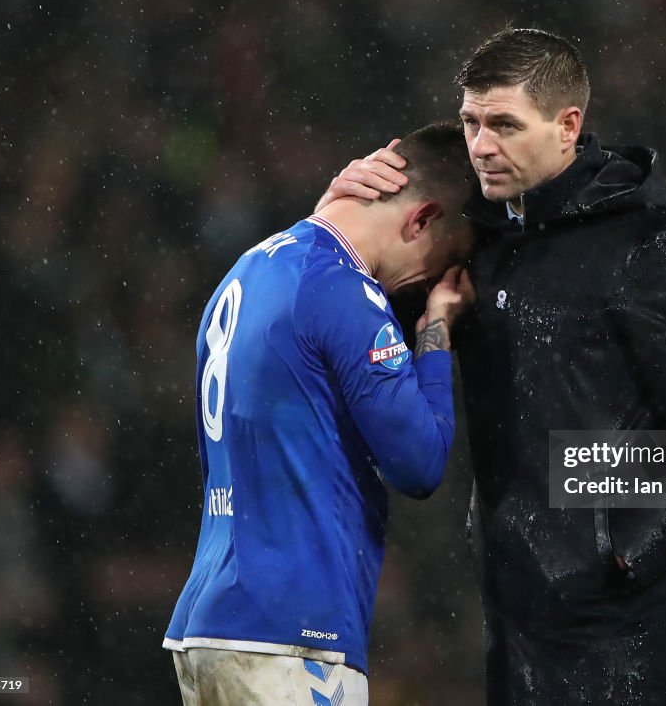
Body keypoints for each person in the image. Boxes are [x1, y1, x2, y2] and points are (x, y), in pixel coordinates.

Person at [318, 28, 666, 705]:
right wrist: (340, 209)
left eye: (503, 124)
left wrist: (611, 552)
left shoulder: (648, 247)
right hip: (513, 617)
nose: (480, 146)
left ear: (568, 126)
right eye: (471, 122)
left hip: (620, 642)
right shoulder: (487, 234)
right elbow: (360, 304)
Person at [163, 121, 478, 706]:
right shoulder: (344, 292)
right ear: (423, 219)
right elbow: (420, 463)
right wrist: (436, 330)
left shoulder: (250, 267)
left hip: (211, 625)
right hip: (292, 636)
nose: (434, 278)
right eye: (448, 257)